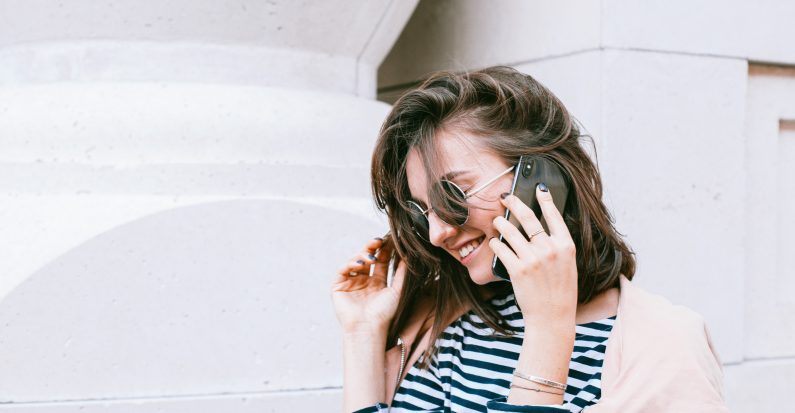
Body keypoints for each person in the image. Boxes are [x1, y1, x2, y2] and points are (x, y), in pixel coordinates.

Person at [331, 66, 728, 412]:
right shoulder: (441, 319)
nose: (437, 234)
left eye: (452, 196)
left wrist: (548, 330)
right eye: (422, 211)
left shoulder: (665, 348)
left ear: (543, 180)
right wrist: (362, 334)